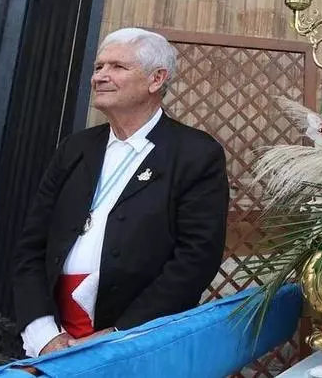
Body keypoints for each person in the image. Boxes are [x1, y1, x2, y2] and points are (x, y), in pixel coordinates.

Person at [13, 28, 229, 357]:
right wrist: (43, 334)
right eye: (98, 67)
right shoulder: (75, 148)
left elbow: (196, 258)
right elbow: (30, 246)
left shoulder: (195, 154)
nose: (99, 76)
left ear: (156, 79)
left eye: (117, 67)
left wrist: (120, 334)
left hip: (136, 341)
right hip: (53, 337)